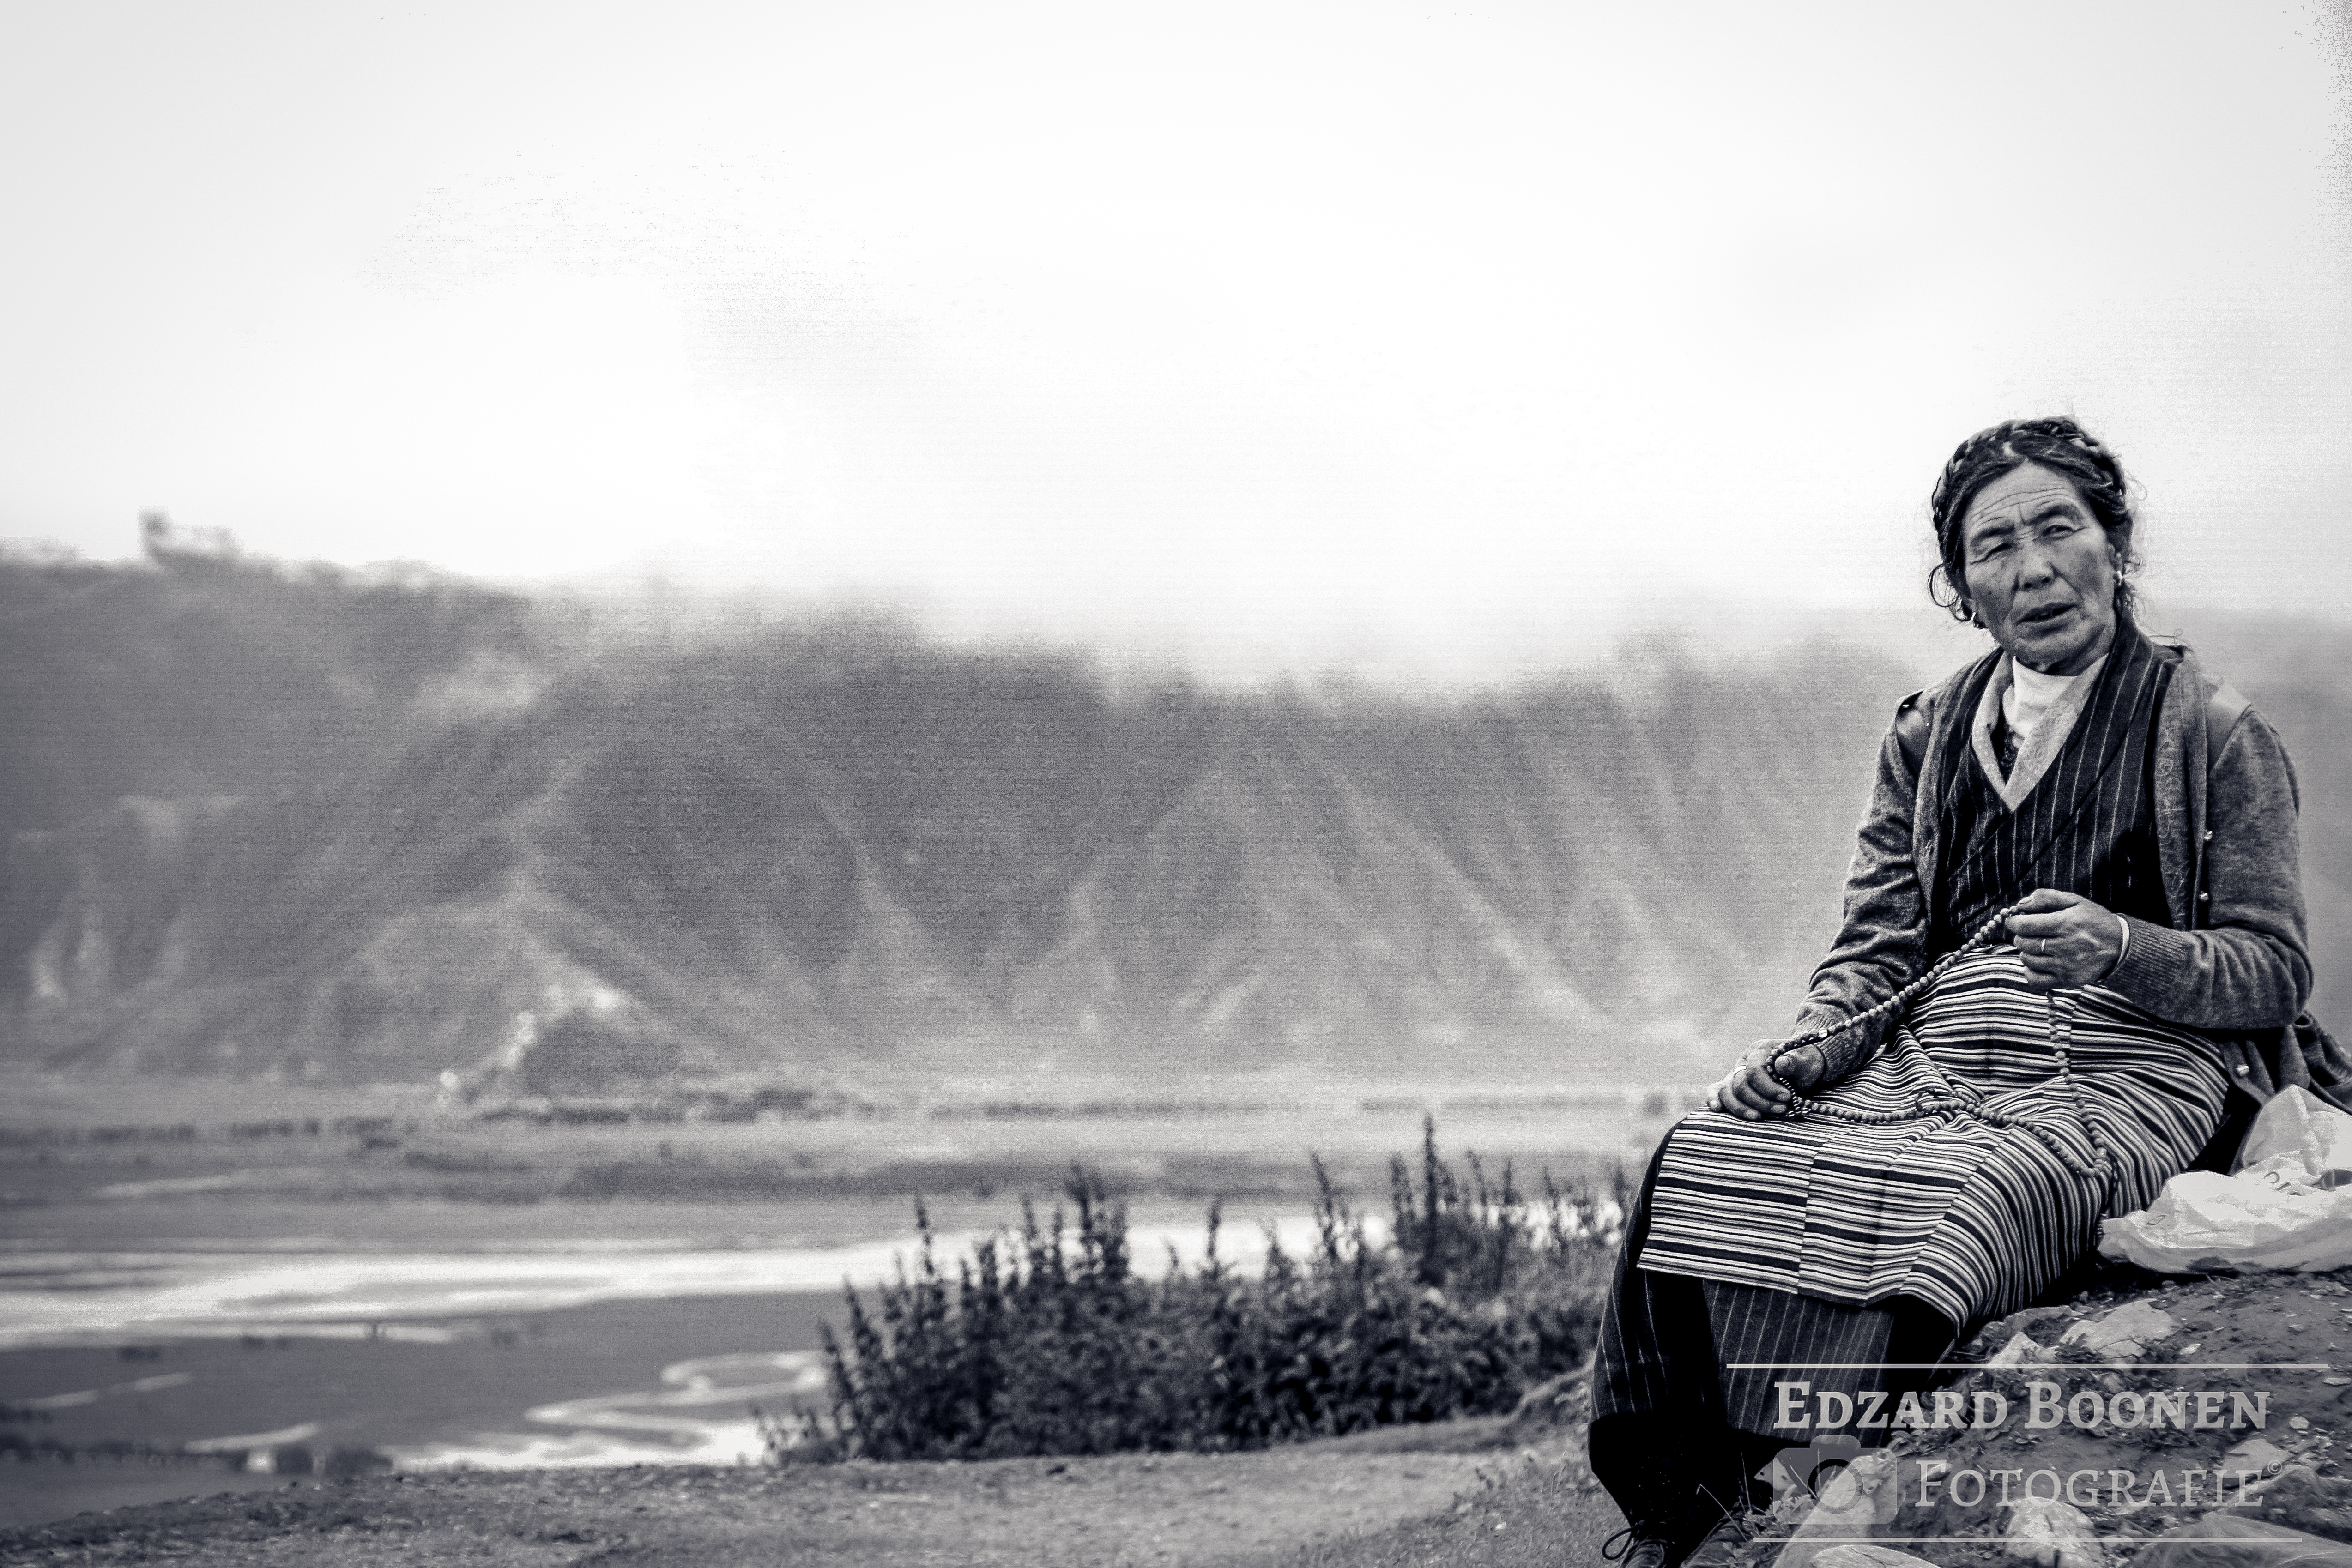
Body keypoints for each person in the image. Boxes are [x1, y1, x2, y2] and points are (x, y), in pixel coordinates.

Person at [1591, 417, 2322, 1568]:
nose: (2033, 569)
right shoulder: (1930, 735)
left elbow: (2275, 968)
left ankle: (1862, 1481)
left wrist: (2124, 947)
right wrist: (1814, 1052)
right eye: (1995, 549)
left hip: (2142, 1068)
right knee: (1702, 1154)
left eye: (2058, 529)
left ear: (2113, 544)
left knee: (1971, 1196)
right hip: (1931, 1056)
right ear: (1963, 588)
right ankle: (1691, 1502)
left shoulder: (2213, 731)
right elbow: (1876, 946)